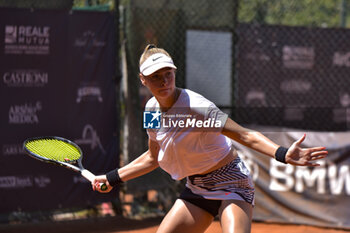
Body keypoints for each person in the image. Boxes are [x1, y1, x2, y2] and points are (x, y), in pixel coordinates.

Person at [92, 44, 328, 233]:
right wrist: (112, 178)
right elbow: (153, 157)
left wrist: (283, 153)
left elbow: (245, 135)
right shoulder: (151, 110)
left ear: (175, 73)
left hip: (232, 183)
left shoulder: (197, 108)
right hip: (197, 187)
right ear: (143, 79)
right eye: (155, 77)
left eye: (168, 74)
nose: (164, 81)